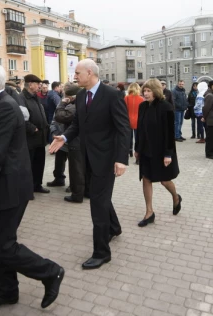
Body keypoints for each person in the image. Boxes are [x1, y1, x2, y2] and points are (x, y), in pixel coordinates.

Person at [0, 62, 64, 311]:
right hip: (2, 187)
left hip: (8, 188)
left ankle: (50, 271)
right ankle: (7, 291)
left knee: (4, 246)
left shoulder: (5, 107)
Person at [49, 59, 130, 270]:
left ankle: (102, 253)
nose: (74, 76)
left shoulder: (112, 94)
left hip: (106, 159)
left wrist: (122, 159)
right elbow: (77, 124)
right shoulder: (82, 95)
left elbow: (123, 128)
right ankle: (114, 227)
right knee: (98, 197)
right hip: (86, 157)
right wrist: (64, 138)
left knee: (97, 205)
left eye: (77, 72)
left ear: (90, 73)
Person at [135, 79, 181, 228]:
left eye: (148, 91)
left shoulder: (166, 107)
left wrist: (168, 154)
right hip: (146, 150)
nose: (145, 93)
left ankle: (176, 197)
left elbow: (169, 132)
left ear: (156, 91)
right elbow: (139, 129)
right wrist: (137, 148)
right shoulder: (142, 106)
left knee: (164, 180)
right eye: (144, 91)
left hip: (162, 151)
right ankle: (149, 212)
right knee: (146, 179)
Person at [54, 83, 86, 202]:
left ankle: (77, 195)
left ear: (71, 97)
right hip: (81, 141)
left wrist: (62, 103)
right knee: (82, 169)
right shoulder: (81, 103)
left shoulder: (73, 106)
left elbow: (60, 116)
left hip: (75, 141)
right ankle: (85, 192)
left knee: (76, 170)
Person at [18, 74, 50, 194]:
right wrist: (32, 128)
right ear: (30, 84)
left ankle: (37, 185)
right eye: (38, 84)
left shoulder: (35, 97)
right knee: (29, 165)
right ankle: (28, 188)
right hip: (30, 138)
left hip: (40, 138)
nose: (40, 87)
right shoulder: (21, 98)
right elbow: (21, 118)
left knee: (39, 163)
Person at [124, 82, 144, 158]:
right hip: (138, 120)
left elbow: (124, 109)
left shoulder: (126, 98)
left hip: (128, 119)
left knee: (129, 137)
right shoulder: (141, 98)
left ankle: (129, 151)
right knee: (137, 137)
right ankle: (137, 151)